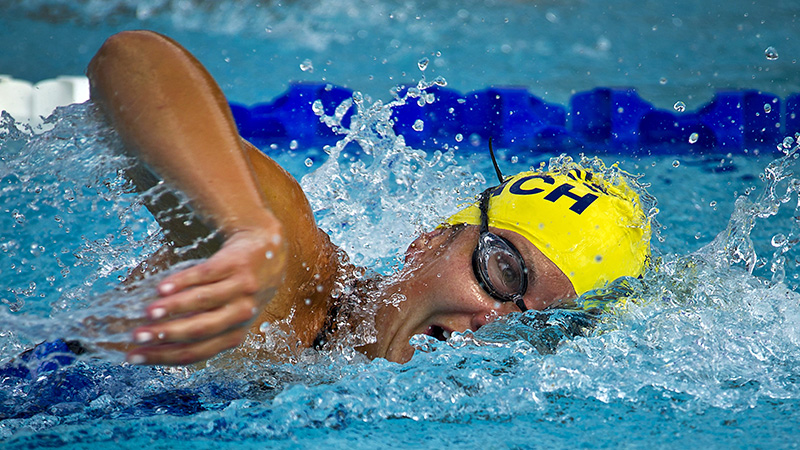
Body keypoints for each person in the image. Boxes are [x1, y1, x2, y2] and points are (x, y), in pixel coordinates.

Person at [86, 30, 651, 366]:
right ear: (428, 241)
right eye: (504, 272)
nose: (493, 320)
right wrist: (243, 228)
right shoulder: (287, 279)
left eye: (537, 325)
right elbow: (133, 60)